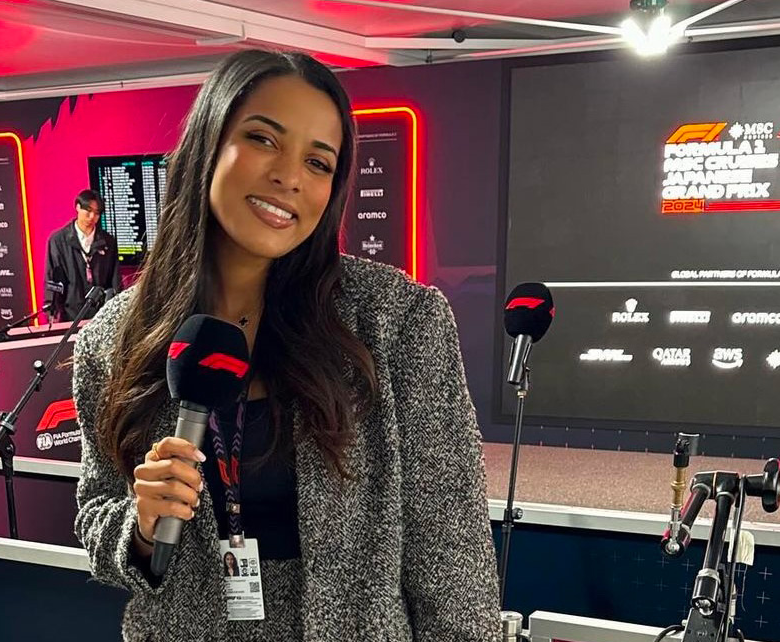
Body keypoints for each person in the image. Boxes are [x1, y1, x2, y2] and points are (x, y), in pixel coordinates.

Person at [72, 49, 499, 641]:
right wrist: (142, 528)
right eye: (263, 139)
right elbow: (96, 511)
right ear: (208, 143)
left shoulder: (395, 323)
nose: (290, 176)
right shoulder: (113, 342)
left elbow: (453, 560)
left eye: (318, 162)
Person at [44, 190, 118, 321]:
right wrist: (51, 309)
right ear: (78, 207)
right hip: (71, 312)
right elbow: (52, 277)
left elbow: (114, 278)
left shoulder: (108, 241)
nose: (91, 217)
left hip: (101, 313)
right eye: (88, 211)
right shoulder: (58, 240)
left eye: (96, 213)